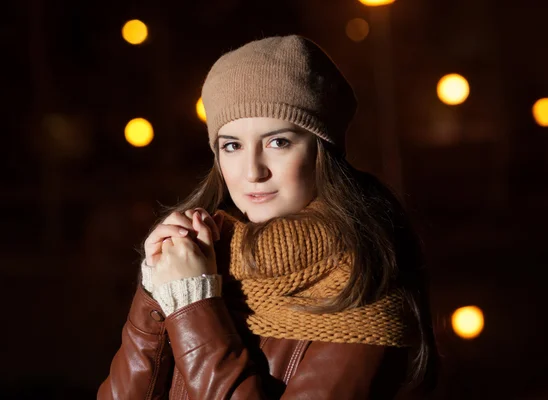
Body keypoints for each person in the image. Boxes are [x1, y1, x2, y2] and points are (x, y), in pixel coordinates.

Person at [98, 34, 438, 399]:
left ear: (322, 150)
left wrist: (193, 304)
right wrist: (156, 291)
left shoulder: (363, 290)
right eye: (232, 145)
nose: (253, 171)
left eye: (278, 142)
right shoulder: (206, 257)